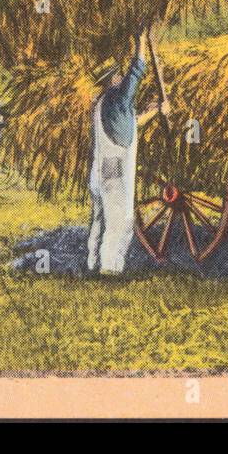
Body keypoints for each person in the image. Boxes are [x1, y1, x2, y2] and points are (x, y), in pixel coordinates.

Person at [86, 37, 168, 275]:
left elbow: (128, 126)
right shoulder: (119, 98)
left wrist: (153, 112)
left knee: (99, 220)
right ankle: (110, 269)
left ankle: (92, 263)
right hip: (115, 170)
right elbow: (137, 70)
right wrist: (141, 40)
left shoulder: (103, 103)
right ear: (112, 80)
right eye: (117, 75)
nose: (120, 77)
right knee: (120, 219)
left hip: (99, 170)